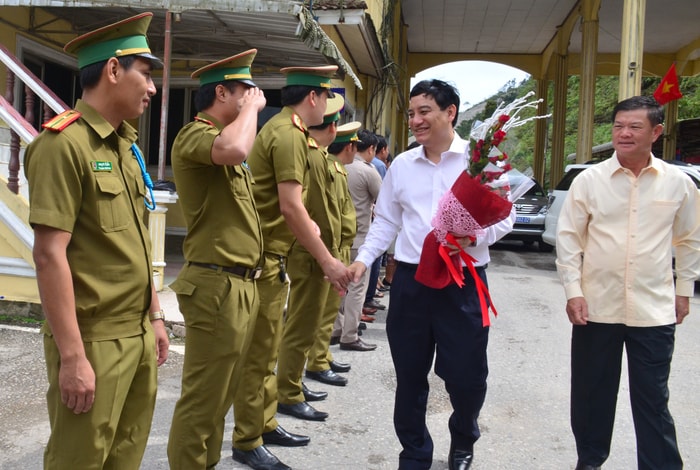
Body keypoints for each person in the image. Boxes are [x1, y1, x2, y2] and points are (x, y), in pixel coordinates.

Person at [24, 13, 169, 469]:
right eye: (144, 74)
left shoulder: (125, 147)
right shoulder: (62, 146)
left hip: (138, 334)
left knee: (125, 458)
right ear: (112, 70)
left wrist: (155, 316)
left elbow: (134, 246)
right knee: (79, 459)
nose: (152, 88)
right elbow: (50, 256)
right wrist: (72, 357)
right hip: (94, 340)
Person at [349, 79, 515, 470]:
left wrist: (472, 234)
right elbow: (386, 221)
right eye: (411, 113)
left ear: (450, 112)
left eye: (424, 111)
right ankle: (415, 452)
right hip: (412, 282)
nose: (415, 120)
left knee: (466, 376)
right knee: (409, 375)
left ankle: (463, 441)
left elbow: (504, 217)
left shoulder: (485, 161)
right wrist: (363, 259)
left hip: (464, 280)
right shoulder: (401, 166)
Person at [555, 95, 700, 470]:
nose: (624, 133)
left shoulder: (678, 184)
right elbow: (569, 238)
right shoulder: (589, 181)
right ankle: (589, 461)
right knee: (591, 395)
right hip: (596, 308)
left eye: (635, 127)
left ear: (656, 131)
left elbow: (689, 239)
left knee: (653, 398)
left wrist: (683, 290)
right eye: (619, 126)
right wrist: (573, 291)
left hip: (653, 310)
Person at [231, 65, 353, 470]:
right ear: (314, 98)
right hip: (264, 258)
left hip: (274, 257)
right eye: (326, 98)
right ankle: (247, 438)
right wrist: (328, 260)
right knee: (258, 355)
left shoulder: (292, 132)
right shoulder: (288, 135)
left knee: (267, 350)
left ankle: (262, 424)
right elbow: (290, 205)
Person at [166, 49, 266, 469]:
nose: (252, 96)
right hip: (215, 285)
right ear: (221, 91)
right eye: (245, 89)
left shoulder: (221, 141)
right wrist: (254, 109)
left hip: (240, 284)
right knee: (203, 397)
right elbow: (236, 149)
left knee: (221, 396)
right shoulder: (196, 135)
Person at [276, 93, 348, 407]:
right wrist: (328, 255)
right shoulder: (311, 153)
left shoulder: (314, 153)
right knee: (300, 326)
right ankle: (288, 391)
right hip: (310, 254)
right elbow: (316, 210)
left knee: (308, 324)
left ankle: (293, 386)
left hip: (318, 251)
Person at [307, 122, 361, 380]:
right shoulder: (328, 166)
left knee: (330, 308)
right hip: (332, 248)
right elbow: (327, 213)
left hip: (341, 246)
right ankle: (316, 361)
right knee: (322, 310)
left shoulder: (338, 169)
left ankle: (323, 356)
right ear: (349, 146)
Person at [335, 128, 382, 351]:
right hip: (360, 236)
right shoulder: (368, 171)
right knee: (356, 288)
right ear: (371, 149)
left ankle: (336, 328)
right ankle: (349, 334)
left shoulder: (337, 165)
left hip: (337, 237)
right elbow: (383, 202)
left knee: (337, 285)